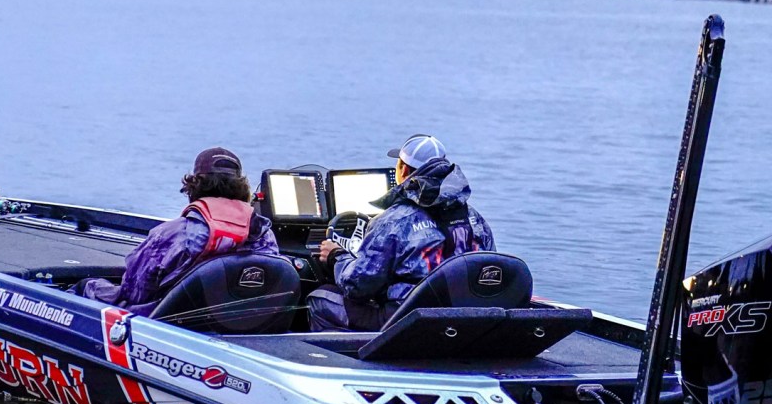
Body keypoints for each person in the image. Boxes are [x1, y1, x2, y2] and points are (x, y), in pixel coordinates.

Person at [307, 134, 494, 332]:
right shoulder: (476, 219)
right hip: (462, 317)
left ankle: (352, 351)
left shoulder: (394, 220)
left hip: (407, 320)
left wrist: (337, 256)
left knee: (320, 299)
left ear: (403, 169)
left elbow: (357, 286)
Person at [72, 147, 279, 315]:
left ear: (194, 186)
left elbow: (132, 294)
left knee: (85, 288)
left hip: (168, 328)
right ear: (242, 187)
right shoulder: (265, 236)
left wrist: (90, 286)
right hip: (240, 327)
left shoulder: (171, 235)